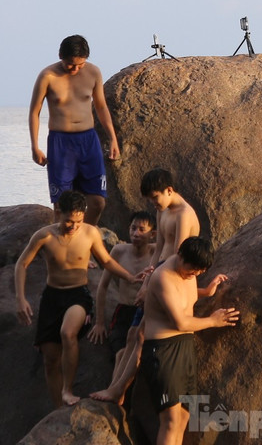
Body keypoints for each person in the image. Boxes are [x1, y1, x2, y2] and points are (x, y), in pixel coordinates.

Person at [90, 168, 205, 404]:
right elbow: (161, 248)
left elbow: (177, 256)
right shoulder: (163, 211)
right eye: (150, 199)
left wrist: (150, 285)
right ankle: (116, 389)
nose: (153, 203)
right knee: (133, 334)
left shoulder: (184, 215)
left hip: (170, 277)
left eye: (155, 197)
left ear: (169, 190)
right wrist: (148, 273)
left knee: (141, 335)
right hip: (160, 272)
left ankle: (117, 391)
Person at [14, 191, 138, 407]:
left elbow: (106, 261)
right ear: (58, 213)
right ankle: (59, 407)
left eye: (78, 221)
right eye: (69, 221)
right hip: (52, 297)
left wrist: (130, 277)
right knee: (50, 360)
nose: (73, 226)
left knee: (67, 332)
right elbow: (21, 265)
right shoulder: (44, 236)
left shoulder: (90, 233)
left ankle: (68, 390)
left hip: (78, 294)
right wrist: (21, 299)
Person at [135, 236, 238, 445]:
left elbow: (183, 295)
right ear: (180, 255)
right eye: (193, 270)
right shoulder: (163, 277)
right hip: (162, 350)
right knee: (170, 420)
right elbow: (180, 322)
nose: (195, 274)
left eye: (200, 272)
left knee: (183, 417)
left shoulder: (188, 271)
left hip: (185, 348)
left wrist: (207, 291)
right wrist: (212, 321)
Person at [29, 34, 120, 225]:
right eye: (71, 64)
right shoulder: (48, 76)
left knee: (97, 202)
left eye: (80, 64)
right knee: (61, 206)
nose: (76, 69)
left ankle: (84, 239)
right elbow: (34, 112)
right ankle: (62, 246)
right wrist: (34, 147)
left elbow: (101, 107)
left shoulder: (93, 72)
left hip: (88, 141)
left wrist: (112, 138)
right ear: (61, 55)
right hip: (60, 143)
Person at [87, 211, 156, 358]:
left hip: (146, 312)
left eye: (142, 230)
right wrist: (99, 322)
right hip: (124, 311)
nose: (136, 233)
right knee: (119, 352)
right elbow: (103, 285)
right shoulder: (119, 251)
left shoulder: (156, 253)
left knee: (142, 354)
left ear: (153, 234)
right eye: (133, 228)